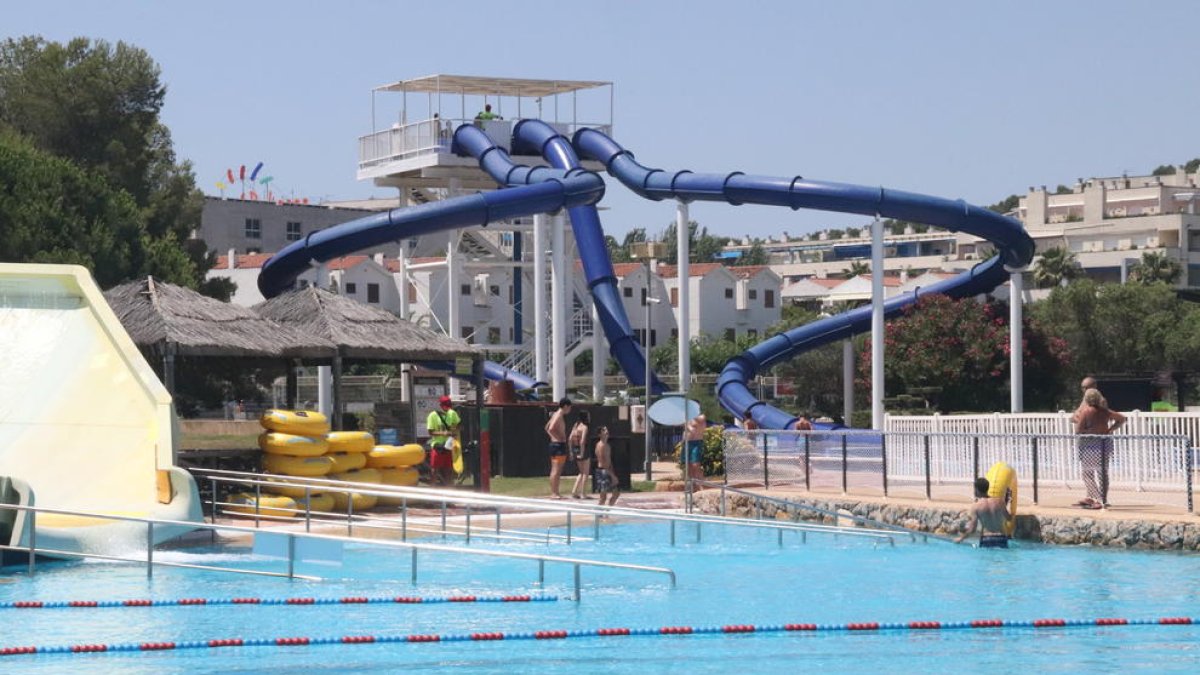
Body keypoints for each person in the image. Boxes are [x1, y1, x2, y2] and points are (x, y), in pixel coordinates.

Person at [1073, 387, 1126, 509]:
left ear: (1086, 399)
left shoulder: (1086, 412)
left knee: (1087, 473)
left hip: (1090, 445)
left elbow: (1078, 430)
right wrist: (1110, 429)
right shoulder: (1105, 411)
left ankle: (1097, 499)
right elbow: (1122, 419)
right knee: (1103, 472)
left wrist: (1089, 430)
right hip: (1104, 444)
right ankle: (1102, 498)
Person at [954, 477, 1014, 548]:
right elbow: (1009, 518)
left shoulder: (976, 506)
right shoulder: (1000, 502)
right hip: (1001, 538)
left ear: (976, 489)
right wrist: (1010, 503)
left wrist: (961, 538)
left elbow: (972, 529)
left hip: (987, 539)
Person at [426, 395, 461, 487]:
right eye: (445, 405)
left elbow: (458, 425)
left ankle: (449, 489)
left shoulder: (452, 413)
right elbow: (431, 432)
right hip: (438, 445)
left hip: (449, 444)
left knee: (448, 469)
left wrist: (454, 431)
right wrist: (444, 433)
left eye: (448, 405)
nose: (447, 408)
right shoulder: (433, 415)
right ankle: (432, 490)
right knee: (435, 469)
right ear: (440, 405)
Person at [544, 397, 572, 499]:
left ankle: (555, 492)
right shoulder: (559, 415)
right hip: (558, 445)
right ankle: (554, 493)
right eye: (569, 407)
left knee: (555, 469)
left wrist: (554, 436)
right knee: (557, 470)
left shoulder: (555, 414)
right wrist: (559, 437)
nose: (569, 410)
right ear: (565, 406)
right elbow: (550, 428)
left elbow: (546, 427)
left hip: (555, 445)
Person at [568, 410, 593, 498]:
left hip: (576, 449)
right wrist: (582, 453)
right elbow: (582, 441)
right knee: (585, 473)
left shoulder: (576, 425)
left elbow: (570, 439)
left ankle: (574, 491)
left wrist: (571, 452)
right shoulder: (585, 427)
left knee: (581, 472)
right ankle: (583, 493)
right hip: (583, 450)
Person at [594, 426, 619, 506]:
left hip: (608, 470)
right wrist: (612, 476)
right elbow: (603, 463)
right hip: (603, 472)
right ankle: (599, 515)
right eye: (603, 430)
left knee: (616, 494)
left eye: (606, 429)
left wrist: (613, 473)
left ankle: (607, 512)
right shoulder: (601, 446)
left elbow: (609, 461)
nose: (606, 431)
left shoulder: (607, 445)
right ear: (599, 434)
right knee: (603, 497)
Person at [683, 413, 706, 483]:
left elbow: (700, 420)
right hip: (687, 442)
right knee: (688, 465)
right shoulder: (687, 416)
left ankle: (700, 486)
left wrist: (691, 413)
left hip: (696, 442)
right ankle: (692, 487)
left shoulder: (701, 416)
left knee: (695, 465)